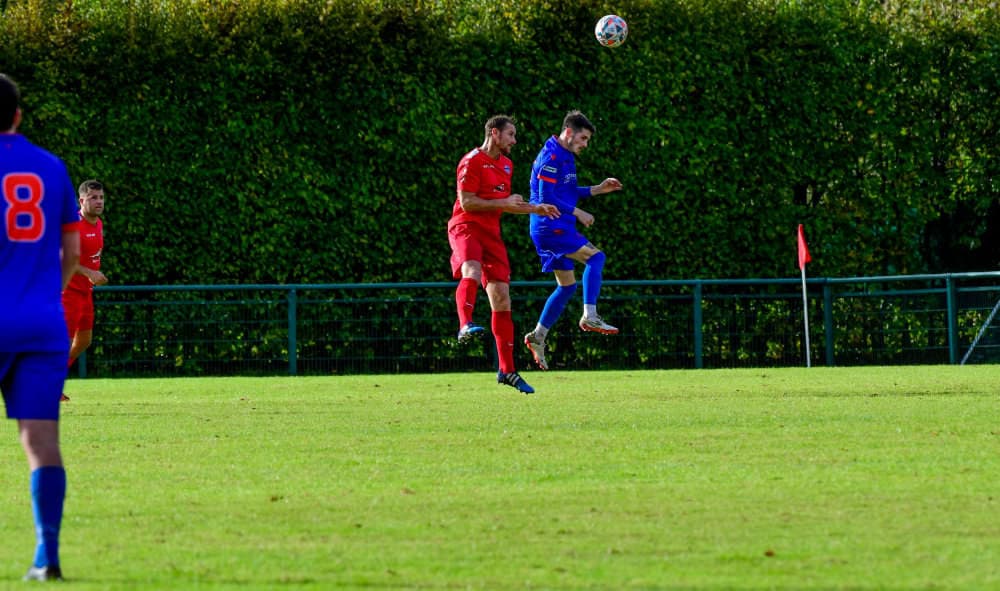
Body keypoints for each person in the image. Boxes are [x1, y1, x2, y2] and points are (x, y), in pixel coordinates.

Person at [0, 73, 80, 582]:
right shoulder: (51, 167)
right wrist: (46, 295)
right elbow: (71, 252)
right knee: (42, 442)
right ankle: (46, 555)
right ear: (18, 115)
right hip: (40, 323)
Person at [447, 115, 560, 394]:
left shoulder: (507, 165)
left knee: (501, 297)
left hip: (491, 233)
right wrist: (504, 202)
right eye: (510, 134)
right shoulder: (471, 161)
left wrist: (536, 208)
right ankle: (465, 324)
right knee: (471, 270)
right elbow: (467, 202)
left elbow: (506, 204)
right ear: (494, 133)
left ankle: (507, 371)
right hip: (466, 226)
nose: (514, 140)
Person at [523, 110, 623, 371]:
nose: (585, 144)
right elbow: (546, 197)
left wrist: (598, 189)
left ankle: (538, 336)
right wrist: (578, 212)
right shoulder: (551, 156)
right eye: (583, 138)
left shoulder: (565, 155)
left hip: (554, 226)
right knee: (596, 257)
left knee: (567, 287)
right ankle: (590, 315)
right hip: (551, 225)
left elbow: (566, 191)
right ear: (568, 132)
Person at [61, 179, 107, 401]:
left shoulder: (98, 223)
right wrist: (90, 273)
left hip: (85, 292)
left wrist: (92, 274)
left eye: (101, 197)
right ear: (81, 201)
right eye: (93, 198)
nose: (99, 202)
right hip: (68, 292)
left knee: (84, 340)